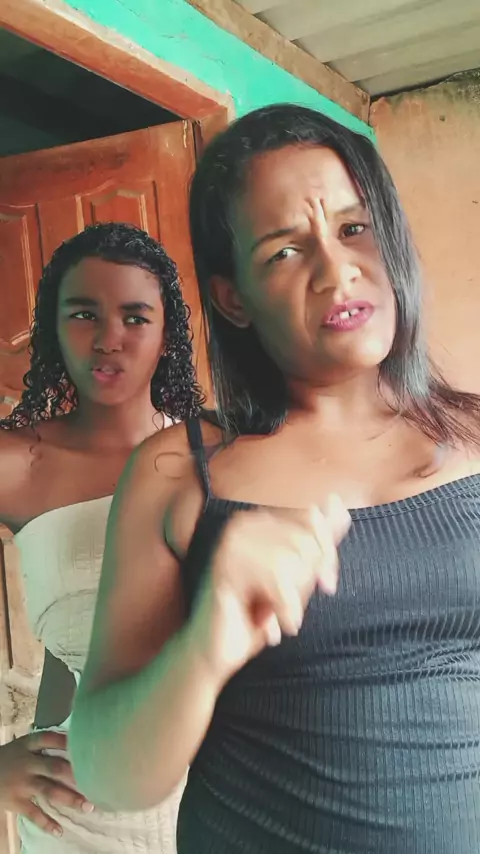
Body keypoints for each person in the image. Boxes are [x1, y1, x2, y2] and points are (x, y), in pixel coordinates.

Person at [70, 105, 480, 853]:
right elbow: (108, 774)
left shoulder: (474, 438)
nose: (337, 269)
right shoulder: (177, 474)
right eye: (285, 251)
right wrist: (205, 646)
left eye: (354, 227)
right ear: (233, 297)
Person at [0, 221, 203, 852]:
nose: (108, 338)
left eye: (135, 317)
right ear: (53, 329)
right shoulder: (17, 464)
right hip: (77, 812)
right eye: (84, 314)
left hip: (228, 790)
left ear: (166, 334)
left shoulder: (219, 453)